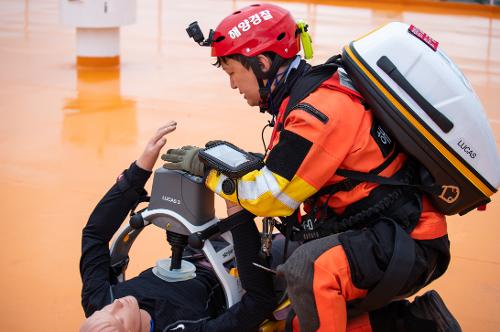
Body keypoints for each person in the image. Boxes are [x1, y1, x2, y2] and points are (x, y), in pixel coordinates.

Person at [162, 4, 461, 332]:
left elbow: (270, 198)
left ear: (261, 64)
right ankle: (420, 324)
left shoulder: (317, 112)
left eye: (233, 72)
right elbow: (289, 169)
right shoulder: (313, 92)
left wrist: (209, 173)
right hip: (386, 229)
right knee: (298, 318)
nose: (233, 85)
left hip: (408, 239)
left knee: (309, 272)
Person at [79, 121, 277, 331]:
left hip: (193, 253)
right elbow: (258, 302)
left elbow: (95, 235)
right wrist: (236, 211)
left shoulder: (100, 301)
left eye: (105, 311)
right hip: (240, 269)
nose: (116, 305)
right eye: (118, 319)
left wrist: (137, 172)